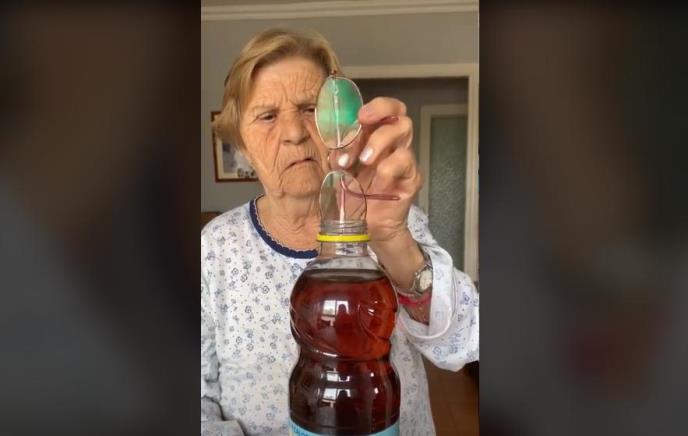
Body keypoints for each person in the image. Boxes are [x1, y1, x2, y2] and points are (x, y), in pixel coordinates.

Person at [201, 27, 479, 436]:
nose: (295, 133)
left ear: (341, 125)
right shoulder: (214, 248)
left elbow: (465, 345)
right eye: (267, 116)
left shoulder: (394, 219)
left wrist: (391, 239)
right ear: (241, 142)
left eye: (310, 109)